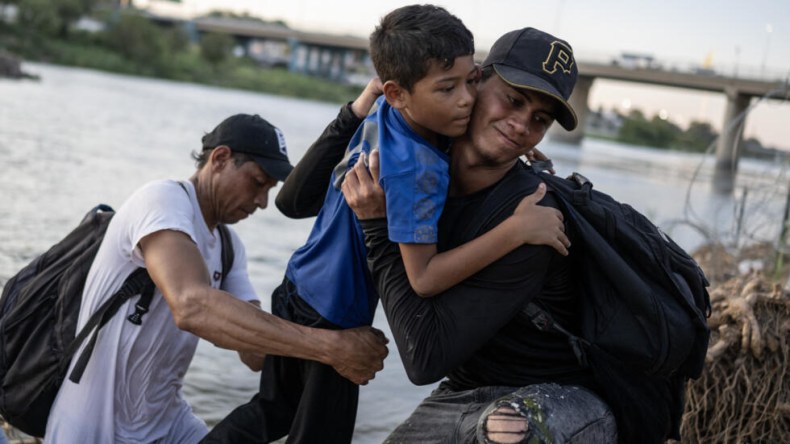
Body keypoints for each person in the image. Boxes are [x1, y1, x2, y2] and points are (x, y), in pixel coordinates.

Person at [203, 6, 568, 444]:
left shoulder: (387, 112)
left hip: (298, 285)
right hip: (335, 313)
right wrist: (516, 230)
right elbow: (425, 278)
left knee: (271, 411)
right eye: (449, 88)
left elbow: (297, 199)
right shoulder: (419, 169)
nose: (465, 100)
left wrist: (508, 142)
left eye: (470, 81)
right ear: (397, 91)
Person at [341, 28, 621, 443]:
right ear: (475, 81)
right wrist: (356, 112)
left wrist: (377, 227)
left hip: (560, 399)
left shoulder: (534, 218)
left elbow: (423, 355)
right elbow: (296, 201)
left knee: (509, 430)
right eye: (513, 100)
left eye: (539, 120)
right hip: (464, 392)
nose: (521, 125)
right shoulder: (422, 163)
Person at [44, 114, 389, 444]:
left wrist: (328, 340)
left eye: (270, 189)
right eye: (257, 183)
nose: (262, 202)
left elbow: (254, 352)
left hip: (168, 425)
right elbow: (191, 306)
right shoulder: (162, 201)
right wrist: (331, 347)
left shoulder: (228, 247)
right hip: (92, 424)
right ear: (220, 159)